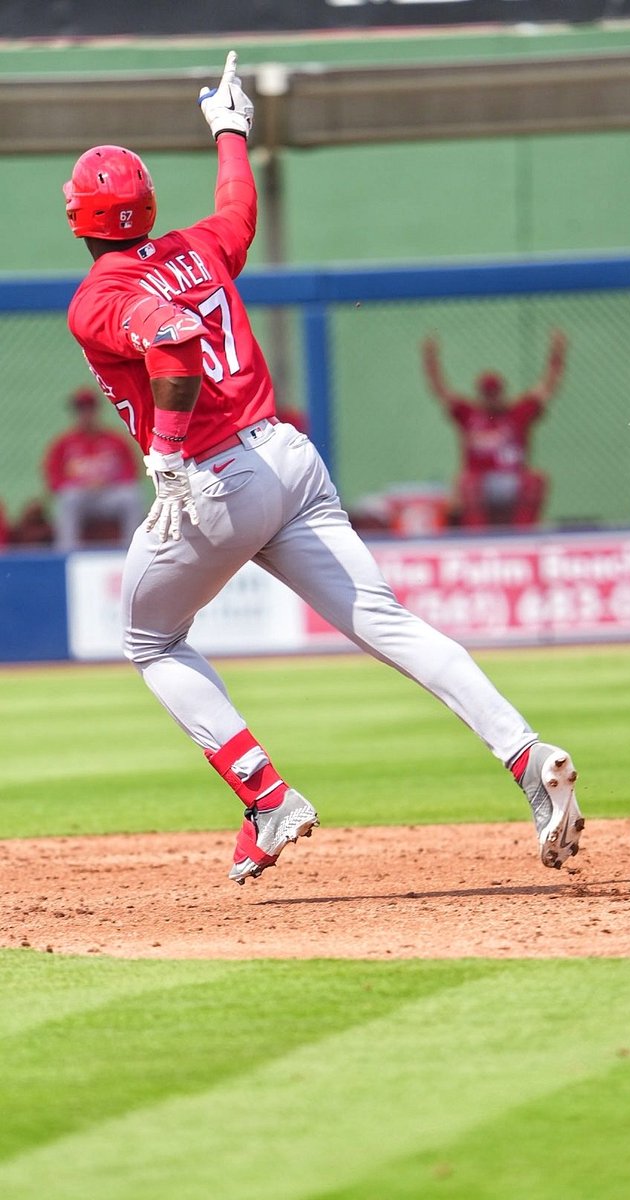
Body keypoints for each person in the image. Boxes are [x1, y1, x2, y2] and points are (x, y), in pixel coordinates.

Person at [62, 52, 583, 884]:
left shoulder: (96, 299)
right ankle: (527, 755)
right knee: (388, 622)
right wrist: (231, 129)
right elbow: (238, 207)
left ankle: (267, 797)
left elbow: (171, 341)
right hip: (289, 459)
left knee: (151, 640)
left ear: (77, 221)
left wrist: (163, 454)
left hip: (216, 477)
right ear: (147, 206)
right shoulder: (198, 247)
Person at [421, 329, 568, 528]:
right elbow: (441, 391)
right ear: (481, 394)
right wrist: (430, 359)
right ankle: (479, 537)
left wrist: (557, 353)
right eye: (487, 393)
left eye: (495, 393)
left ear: (502, 392)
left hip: (512, 480)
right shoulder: (470, 414)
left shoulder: (517, 414)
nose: (491, 398)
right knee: (466, 482)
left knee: (536, 480)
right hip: (481, 482)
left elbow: (547, 388)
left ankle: (523, 534)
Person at [42, 386, 144, 550]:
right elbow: (54, 478)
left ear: (96, 411)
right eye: (81, 409)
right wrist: (81, 485)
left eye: (89, 409)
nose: (86, 414)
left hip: (110, 495)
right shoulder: (63, 444)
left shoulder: (115, 440)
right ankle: (67, 553)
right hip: (81, 496)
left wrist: (108, 482)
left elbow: (132, 471)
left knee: (131, 496)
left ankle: (132, 550)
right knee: (68, 499)